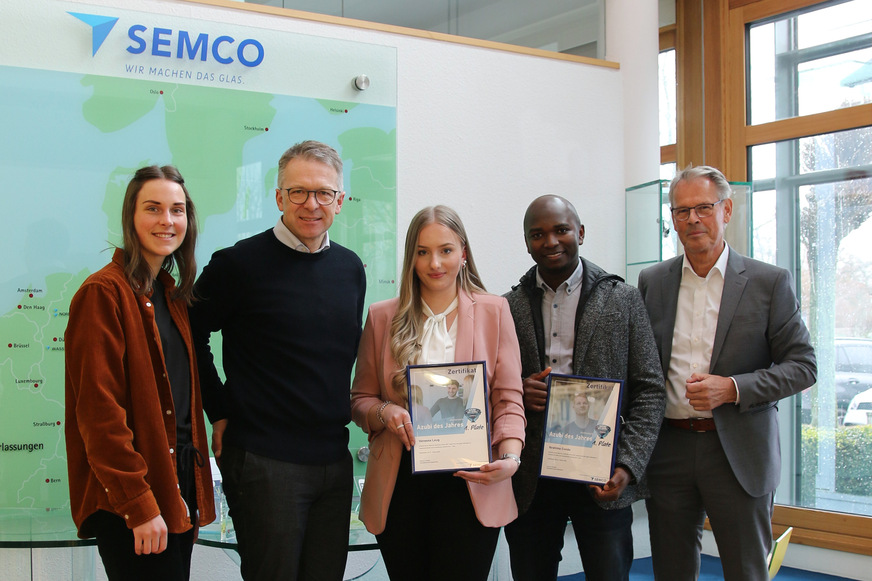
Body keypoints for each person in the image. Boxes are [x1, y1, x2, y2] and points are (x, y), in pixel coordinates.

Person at [189, 141, 366, 580]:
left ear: (340, 201)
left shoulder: (351, 268)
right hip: (265, 462)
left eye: (324, 193)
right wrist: (221, 408)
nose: (311, 203)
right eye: (298, 191)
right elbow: (189, 333)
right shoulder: (237, 264)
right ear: (279, 197)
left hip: (334, 460)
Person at [638, 165, 817, 581]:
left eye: (703, 207)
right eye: (681, 211)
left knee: (745, 570)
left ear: (727, 210)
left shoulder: (768, 282)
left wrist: (733, 388)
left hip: (737, 449)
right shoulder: (653, 282)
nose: (692, 219)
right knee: (671, 570)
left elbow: (803, 365)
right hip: (669, 449)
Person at [350, 205, 525, 579]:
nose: (435, 263)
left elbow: (508, 398)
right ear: (411, 257)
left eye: (445, 250)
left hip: (471, 481)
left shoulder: (495, 311)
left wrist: (510, 458)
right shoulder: (383, 317)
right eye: (422, 251)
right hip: (401, 485)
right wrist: (386, 414)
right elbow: (360, 400)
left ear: (463, 252)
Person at [503, 194, 665, 581]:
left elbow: (651, 390)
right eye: (537, 234)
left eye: (561, 230)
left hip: (602, 471)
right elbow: (497, 387)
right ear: (527, 242)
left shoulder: (623, 299)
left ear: (581, 232)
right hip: (532, 477)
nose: (551, 241)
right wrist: (518, 392)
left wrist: (628, 465)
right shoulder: (507, 306)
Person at [65, 165, 215, 581]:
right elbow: (99, 416)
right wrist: (140, 505)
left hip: (176, 485)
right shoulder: (102, 294)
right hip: (135, 500)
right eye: (153, 208)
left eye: (177, 210)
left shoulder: (171, 296)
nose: (167, 221)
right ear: (131, 217)